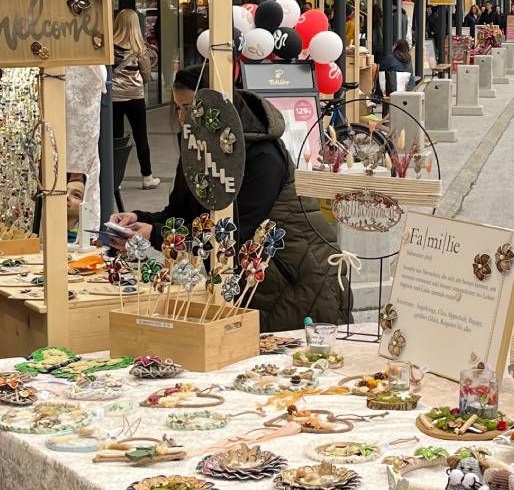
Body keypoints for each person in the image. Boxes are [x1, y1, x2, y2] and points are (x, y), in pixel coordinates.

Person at [107, 66, 350, 330]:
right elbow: (182, 216)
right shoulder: (197, 148)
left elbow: (233, 232)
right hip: (250, 280)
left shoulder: (263, 155)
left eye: (190, 108)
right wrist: (139, 220)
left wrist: (155, 234)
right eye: (178, 108)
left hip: (296, 281)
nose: (182, 117)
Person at [110, 8, 158, 211]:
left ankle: (116, 179)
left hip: (114, 97)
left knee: (116, 139)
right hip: (135, 97)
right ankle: (147, 176)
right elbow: (147, 76)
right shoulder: (141, 49)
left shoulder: (109, 47)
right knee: (141, 137)